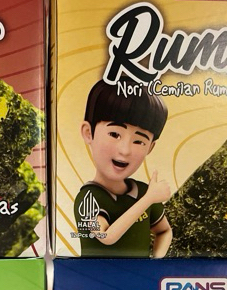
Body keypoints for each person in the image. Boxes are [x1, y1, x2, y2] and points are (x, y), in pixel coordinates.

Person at [73, 79, 172, 257]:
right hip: (96, 275)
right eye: (114, 134)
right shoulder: (87, 198)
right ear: (88, 133)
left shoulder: (144, 191)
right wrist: (149, 199)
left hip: (141, 274)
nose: (125, 150)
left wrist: (156, 262)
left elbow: (164, 231)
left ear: (150, 147)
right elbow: (106, 236)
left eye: (139, 141)